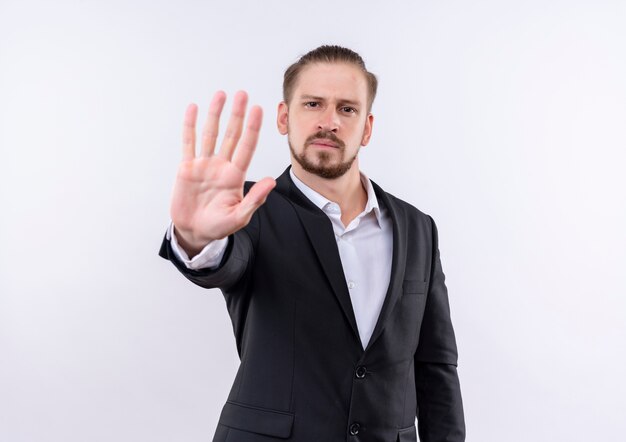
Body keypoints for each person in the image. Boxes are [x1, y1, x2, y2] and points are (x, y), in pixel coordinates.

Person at [159, 45, 465, 442]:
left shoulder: (418, 228)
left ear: (367, 128)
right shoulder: (249, 211)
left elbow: (436, 366)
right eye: (313, 104)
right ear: (285, 117)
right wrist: (196, 237)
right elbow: (226, 260)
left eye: (347, 109)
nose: (329, 122)